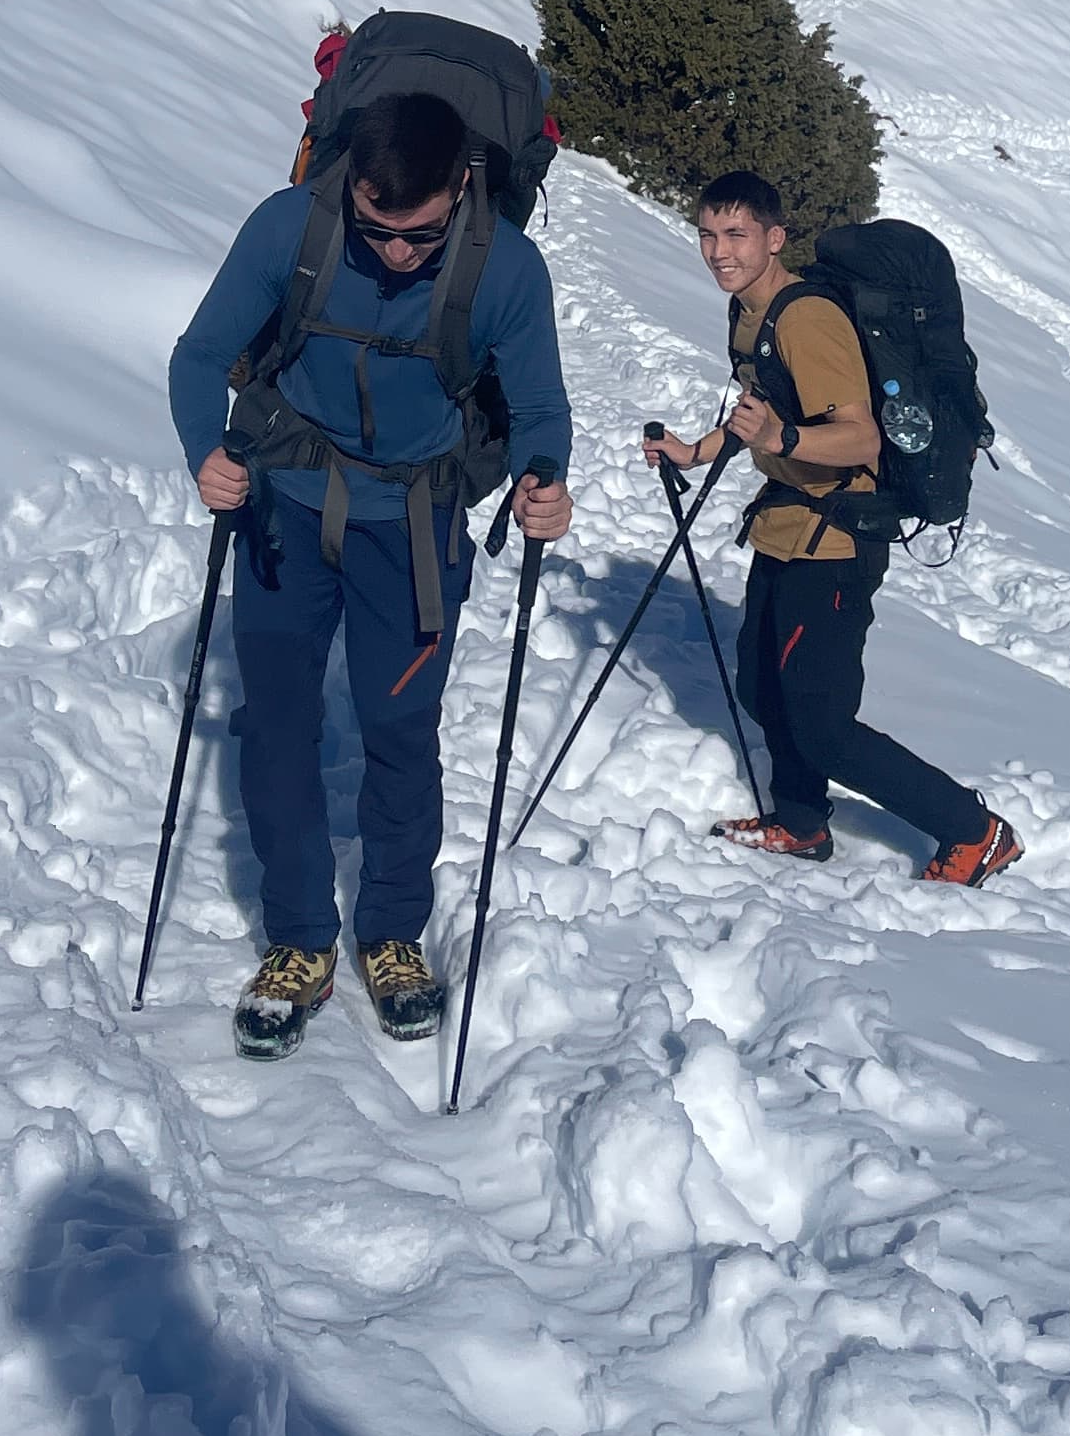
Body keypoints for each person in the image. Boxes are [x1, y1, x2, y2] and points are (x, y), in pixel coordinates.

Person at [172, 88, 573, 1056]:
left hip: (414, 525)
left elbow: (539, 410)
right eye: (375, 228)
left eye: (418, 234)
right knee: (277, 724)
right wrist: (206, 454)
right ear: (350, 182)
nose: (394, 251)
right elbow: (200, 355)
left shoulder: (505, 268)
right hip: (286, 507)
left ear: (460, 189)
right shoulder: (292, 227)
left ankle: (392, 930)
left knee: (398, 727)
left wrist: (543, 480)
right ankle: (299, 939)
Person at [646, 168, 1017, 883]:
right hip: (788, 525)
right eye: (708, 234)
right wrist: (696, 451)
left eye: (736, 234)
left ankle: (976, 831)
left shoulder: (805, 319)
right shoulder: (749, 311)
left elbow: (860, 437)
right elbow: (761, 410)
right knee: (762, 690)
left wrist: (781, 440)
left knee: (825, 728)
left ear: (774, 238)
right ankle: (801, 822)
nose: (719, 251)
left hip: (839, 538)